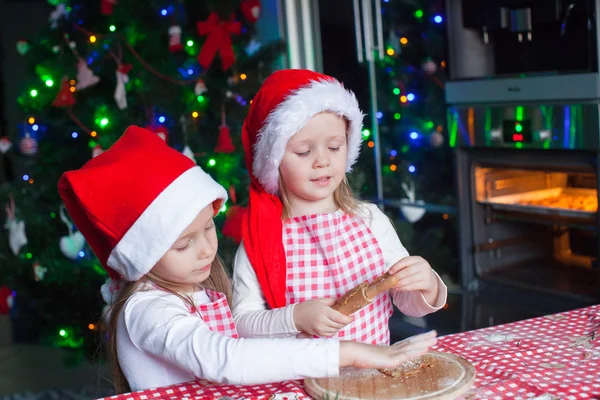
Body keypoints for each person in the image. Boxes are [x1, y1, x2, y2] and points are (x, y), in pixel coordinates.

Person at [57, 125, 438, 393]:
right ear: (143, 255)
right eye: (183, 244)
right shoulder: (146, 311)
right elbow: (226, 359)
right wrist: (350, 352)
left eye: (208, 227)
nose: (208, 249)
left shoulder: (197, 294)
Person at [233, 69, 448, 345]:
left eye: (334, 147)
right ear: (273, 160)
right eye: (303, 151)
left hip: (371, 377)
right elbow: (241, 323)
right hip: (298, 381)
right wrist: (294, 317)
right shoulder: (261, 240)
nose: (322, 161)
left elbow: (407, 303)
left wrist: (426, 284)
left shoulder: (369, 221)